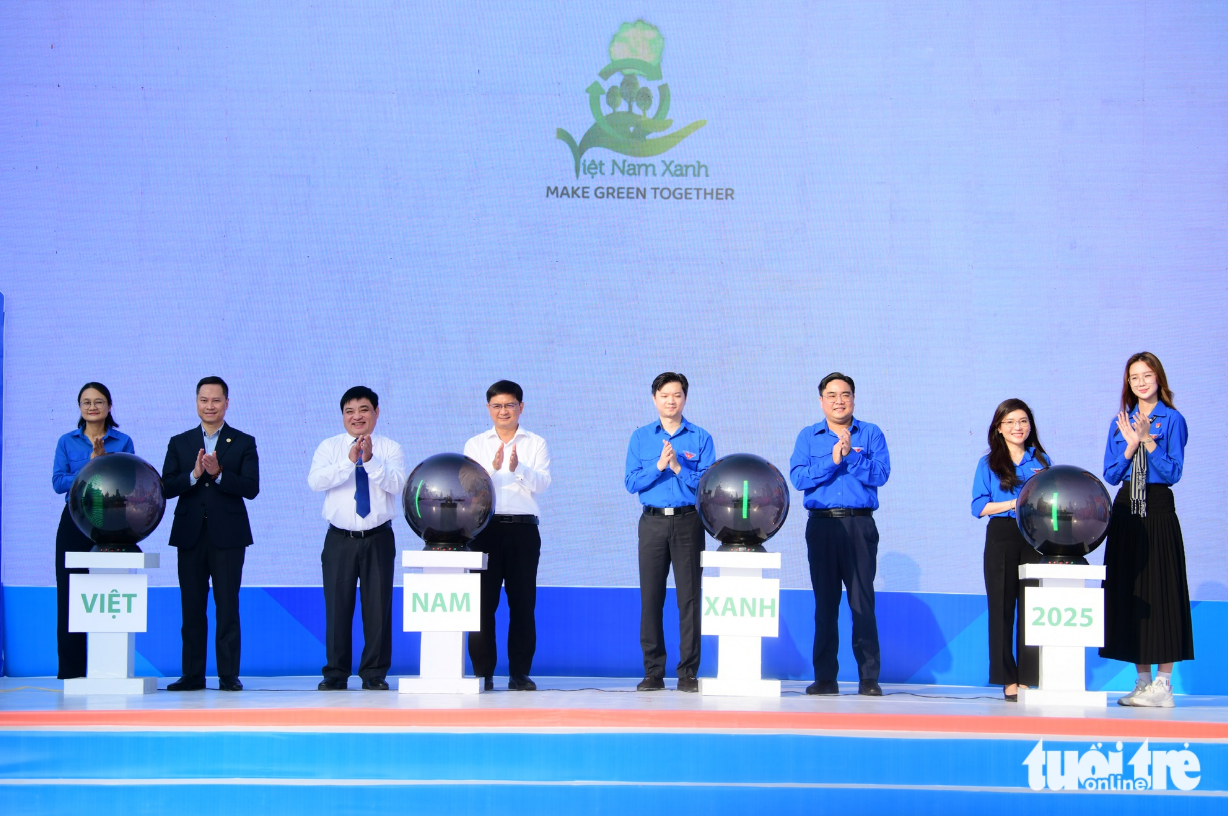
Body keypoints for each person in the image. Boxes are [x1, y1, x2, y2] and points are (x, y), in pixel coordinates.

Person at [1100, 352, 1192, 708]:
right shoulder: (1119, 421)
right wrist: (1131, 443)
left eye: (1147, 375)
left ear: (1159, 379)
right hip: (1126, 508)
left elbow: (1172, 473)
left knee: (1162, 592)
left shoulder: (1173, 419)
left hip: (1156, 507)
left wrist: (1148, 441)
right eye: (1134, 377)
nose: (1141, 382)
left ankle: (1164, 684)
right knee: (1130, 591)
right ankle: (1141, 682)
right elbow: (1110, 474)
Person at [789, 372, 890, 696]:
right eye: (831, 395)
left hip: (859, 525)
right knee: (826, 603)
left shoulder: (871, 433)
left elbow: (882, 473)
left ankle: (869, 679)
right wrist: (832, 461)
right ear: (821, 401)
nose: (839, 400)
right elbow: (798, 478)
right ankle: (825, 679)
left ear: (854, 399)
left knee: (862, 602)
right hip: (822, 525)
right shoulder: (808, 436)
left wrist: (852, 457)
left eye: (845, 394)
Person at [161, 376, 260, 692]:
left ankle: (228, 674)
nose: (210, 406)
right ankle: (192, 674)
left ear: (227, 403)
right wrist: (194, 474)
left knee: (227, 605)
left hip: (229, 535)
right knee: (191, 606)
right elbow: (165, 487)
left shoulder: (243, 441)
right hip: (190, 534)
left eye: (216, 400)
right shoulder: (180, 442)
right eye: (204, 400)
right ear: (196, 402)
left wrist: (219, 475)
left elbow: (251, 488)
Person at [308, 386, 406, 691]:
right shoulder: (329, 447)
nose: (357, 417)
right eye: (349, 411)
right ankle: (335, 672)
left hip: (378, 537)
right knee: (337, 607)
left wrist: (371, 459)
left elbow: (397, 484)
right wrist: (349, 461)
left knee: (377, 607)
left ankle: (374, 673)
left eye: (363, 409)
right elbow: (316, 481)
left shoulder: (390, 448)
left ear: (377, 412)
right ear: (342, 417)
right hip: (339, 539)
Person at [624, 372, 714, 692]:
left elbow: (708, 486)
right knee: (651, 598)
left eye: (677, 395)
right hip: (652, 523)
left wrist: (678, 467)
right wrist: (658, 466)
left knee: (689, 599)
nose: (671, 401)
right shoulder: (640, 438)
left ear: (685, 398)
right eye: (664, 395)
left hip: (689, 522)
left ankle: (687, 672)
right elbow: (631, 483)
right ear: (654, 399)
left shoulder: (700, 437)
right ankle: (653, 671)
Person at [463, 380, 552, 691]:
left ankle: (519, 673)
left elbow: (542, 484)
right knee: (482, 605)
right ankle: (482, 673)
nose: (504, 411)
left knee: (522, 604)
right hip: (484, 531)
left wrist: (518, 468)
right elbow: (469, 487)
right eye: (497, 406)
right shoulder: (475, 445)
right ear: (489, 409)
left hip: (523, 530)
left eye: (510, 405)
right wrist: (493, 466)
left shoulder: (535, 443)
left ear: (521, 407)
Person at [52, 383, 135, 680]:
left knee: (109, 592)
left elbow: (131, 482)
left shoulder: (123, 441)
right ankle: (71, 673)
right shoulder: (67, 441)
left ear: (109, 406)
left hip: (111, 521)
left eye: (98, 402)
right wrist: (89, 467)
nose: (92, 407)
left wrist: (105, 465)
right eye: (86, 402)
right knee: (70, 595)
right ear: (79, 407)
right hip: (76, 519)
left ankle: (109, 672)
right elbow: (59, 482)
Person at [970, 399, 1050, 701]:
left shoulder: (1040, 460)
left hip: (1034, 537)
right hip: (1002, 535)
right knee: (1002, 609)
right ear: (999, 428)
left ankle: (1029, 677)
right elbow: (979, 507)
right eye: (1010, 422)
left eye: (1023, 421)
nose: (1018, 427)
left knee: (1031, 610)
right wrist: (1015, 504)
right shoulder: (988, 463)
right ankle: (1007, 678)